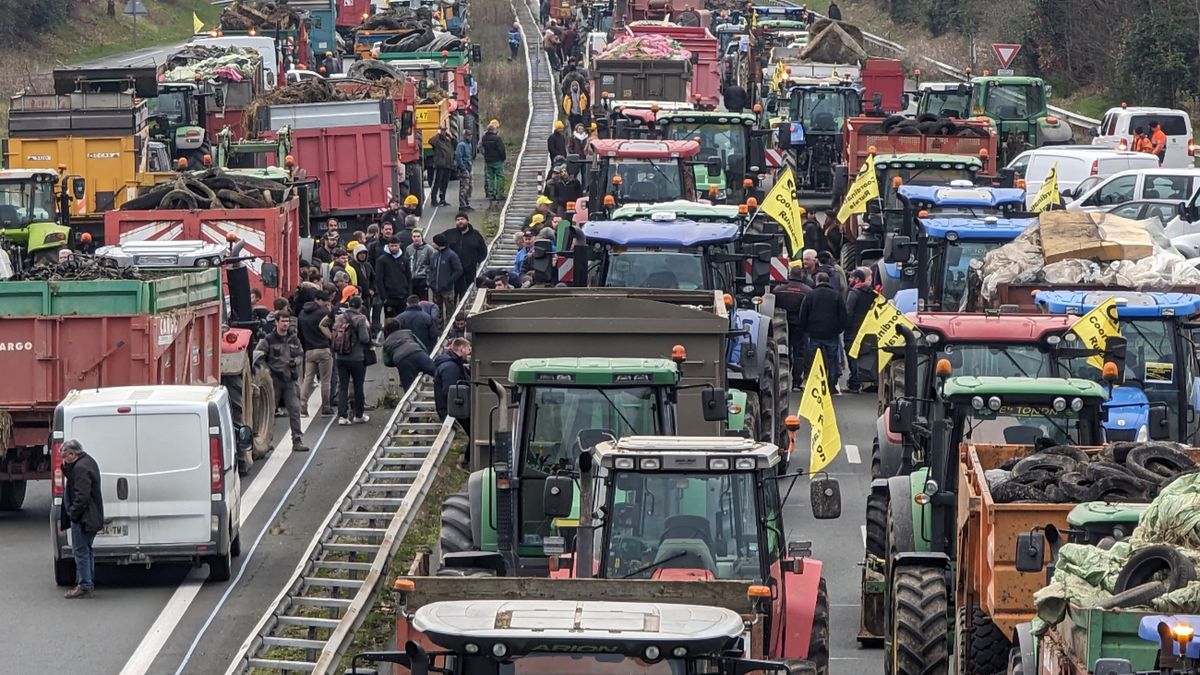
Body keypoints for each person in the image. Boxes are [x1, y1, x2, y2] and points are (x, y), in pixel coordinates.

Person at [255, 311, 309, 450]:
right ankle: (267, 442)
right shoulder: (268, 340)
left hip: (289, 379)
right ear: (276, 322)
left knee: (295, 410)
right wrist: (266, 372)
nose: (285, 324)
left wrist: (295, 362)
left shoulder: (294, 339)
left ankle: (297, 440)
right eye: (283, 321)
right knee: (268, 412)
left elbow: (300, 355)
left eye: (287, 321)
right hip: (274, 381)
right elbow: (258, 356)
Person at [60, 439, 102, 599]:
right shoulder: (86, 462)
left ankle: (84, 585)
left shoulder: (80, 468)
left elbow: (82, 495)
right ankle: (87, 581)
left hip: (84, 517)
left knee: (80, 551)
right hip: (90, 516)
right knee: (87, 550)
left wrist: (73, 513)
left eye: (65, 457)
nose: (64, 460)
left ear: (73, 454)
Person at [796, 272, 847, 394]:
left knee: (813, 359)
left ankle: (815, 383)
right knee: (832, 359)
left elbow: (803, 314)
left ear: (817, 281)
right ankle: (832, 383)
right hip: (831, 333)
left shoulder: (810, 295)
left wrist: (805, 329)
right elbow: (843, 315)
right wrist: (839, 329)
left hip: (814, 333)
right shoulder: (836, 295)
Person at [333, 295, 372, 425]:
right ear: (360, 306)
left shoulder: (339, 317)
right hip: (356, 358)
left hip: (340, 356)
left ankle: (342, 416)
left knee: (343, 386)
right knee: (358, 386)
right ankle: (358, 414)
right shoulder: (360, 319)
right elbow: (364, 338)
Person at [773, 265, 813, 388]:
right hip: (800, 325)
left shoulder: (778, 289)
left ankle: (782, 378)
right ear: (801, 275)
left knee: (782, 351)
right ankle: (797, 380)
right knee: (799, 353)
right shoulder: (807, 291)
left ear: (789, 274)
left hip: (781, 325)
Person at [434, 337, 472, 463]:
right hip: (455, 407)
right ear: (462, 349)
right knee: (475, 432)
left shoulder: (455, 364)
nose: (470, 352)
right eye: (468, 349)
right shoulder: (451, 367)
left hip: (457, 405)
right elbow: (449, 391)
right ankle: (467, 460)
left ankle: (467, 459)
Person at [299, 290, 336, 416]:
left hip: (309, 350)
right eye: (326, 302)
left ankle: (302, 407)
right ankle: (326, 408)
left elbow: (300, 334)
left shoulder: (302, 314)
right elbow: (332, 328)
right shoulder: (323, 313)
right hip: (323, 349)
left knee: (307, 380)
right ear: (320, 300)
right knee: (326, 381)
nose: (327, 305)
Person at [844, 268, 874, 393]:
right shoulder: (872, 293)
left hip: (853, 329)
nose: (849, 280)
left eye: (851, 277)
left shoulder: (854, 293)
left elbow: (848, 311)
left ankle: (854, 383)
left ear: (857, 279)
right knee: (862, 354)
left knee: (851, 354)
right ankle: (860, 380)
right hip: (867, 327)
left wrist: (844, 324)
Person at [383, 318, 437, 389]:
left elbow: (386, 361)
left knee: (409, 386)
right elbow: (421, 345)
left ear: (386, 330)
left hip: (402, 360)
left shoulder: (386, 342)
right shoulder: (408, 332)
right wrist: (424, 354)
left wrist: (396, 362)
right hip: (417, 352)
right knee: (436, 372)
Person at [442, 213, 488, 297]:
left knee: (466, 295)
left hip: (468, 272)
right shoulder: (449, 234)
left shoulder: (476, 235)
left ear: (467, 221)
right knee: (451, 297)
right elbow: (437, 244)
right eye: (457, 220)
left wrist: (475, 261)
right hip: (452, 272)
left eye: (462, 219)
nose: (460, 221)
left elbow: (483, 251)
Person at [375, 235, 413, 319]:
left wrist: (409, 293)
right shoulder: (382, 260)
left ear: (399, 245)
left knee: (403, 320)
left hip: (403, 296)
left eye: (396, 245)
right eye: (392, 246)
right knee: (390, 321)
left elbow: (409, 277)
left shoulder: (404, 259)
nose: (394, 248)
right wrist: (384, 298)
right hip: (390, 298)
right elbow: (379, 280)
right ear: (388, 246)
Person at [429, 233, 464, 321]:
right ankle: (439, 331)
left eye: (434, 242)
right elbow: (432, 270)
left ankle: (450, 331)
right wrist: (431, 282)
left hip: (447, 290)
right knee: (437, 312)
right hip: (436, 290)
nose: (432, 244)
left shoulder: (451, 255)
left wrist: (449, 281)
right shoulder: (434, 255)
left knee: (450, 312)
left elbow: (458, 270)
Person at [429, 126, 456, 207]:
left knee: (445, 183)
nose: (444, 132)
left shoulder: (448, 141)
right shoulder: (437, 141)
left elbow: (455, 144)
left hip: (448, 165)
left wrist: (450, 136)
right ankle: (433, 200)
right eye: (442, 131)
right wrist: (438, 134)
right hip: (440, 165)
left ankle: (442, 199)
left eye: (445, 131)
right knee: (437, 183)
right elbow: (431, 141)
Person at [481, 120, 507, 202]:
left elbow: (481, 148)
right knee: (500, 177)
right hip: (497, 161)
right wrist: (503, 158)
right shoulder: (497, 138)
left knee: (490, 178)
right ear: (493, 130)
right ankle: (500, 194)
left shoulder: (484, 138)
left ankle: (491, 194)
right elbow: (501, 149)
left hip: (488, 161)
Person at [406, 229, 433, 300]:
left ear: (422, 237)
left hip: (422, 279)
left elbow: (432, 265)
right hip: (411, 280)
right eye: (414, 236)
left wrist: (428, 279)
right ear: (412, 238)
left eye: (418, 236)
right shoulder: (409, 248)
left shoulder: (428, 249)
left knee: (423, 301)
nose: (416, 238)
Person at [455, 129, 475, 210]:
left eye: (470, 135)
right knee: (464, 187)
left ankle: (467, 203)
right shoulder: (461, 145)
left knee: (469, 186)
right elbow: (458, 157)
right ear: (465, 136)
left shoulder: (469, 144)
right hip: (464, 169)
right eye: (468, 135)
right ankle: (462, 205)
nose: (470, 137)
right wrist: (463, 168)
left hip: (469, 168)